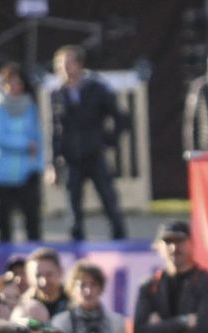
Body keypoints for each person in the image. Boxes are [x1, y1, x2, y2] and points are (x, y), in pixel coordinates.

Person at [49, 45, 128, 241]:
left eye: (69, 63)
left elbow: (120, 117)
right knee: (74, 207)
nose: (65, 68)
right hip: (71, 156)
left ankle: (120, 241)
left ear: (79, 64)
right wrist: (53, 162)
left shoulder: (96, 88)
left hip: (94, 153)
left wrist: (107, 140)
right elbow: (56, 130)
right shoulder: (58, 93)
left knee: (109, 201)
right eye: (61, 64)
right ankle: (77, 245)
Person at [133, 220, 208, 333]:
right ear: (159, 246)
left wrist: (160, 330)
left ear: (192, 244)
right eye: (168, 242)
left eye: (179, 241)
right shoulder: (149, 286)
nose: (174, 248)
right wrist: (182, 322)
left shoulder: (206, 283)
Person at [0, 63, 44, 243]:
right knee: (3, 223)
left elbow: (38, 137)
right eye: (10, 83)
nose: (14, 87)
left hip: (26, 172)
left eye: (18, 83)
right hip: (0, 173)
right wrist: (24, 144)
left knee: (32, 220)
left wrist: (38, 164)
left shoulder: (30, 106)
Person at [53, 261, 129, 333]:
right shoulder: (61, 322)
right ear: (71, 289)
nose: (88, 291)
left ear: (101, 288)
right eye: (82, 285)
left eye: (93, 284)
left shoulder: (115, 321)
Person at [22, 247, 68, 317]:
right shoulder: (24, 305)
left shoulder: (75, 301)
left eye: (49, 274)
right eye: (38, 275)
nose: (44, 281)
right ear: (28, 277)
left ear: (60, 272)